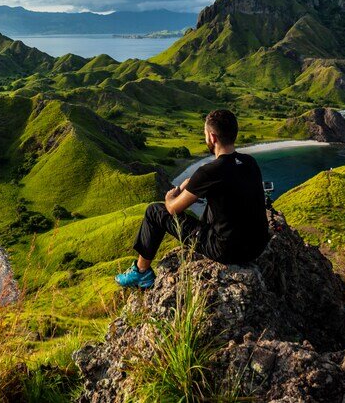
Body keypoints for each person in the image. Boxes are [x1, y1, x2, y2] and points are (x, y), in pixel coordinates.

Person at [115, 109, 270, 289]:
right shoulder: (249, 162)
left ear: (212, 137)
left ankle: (141, 273)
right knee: (215, 204)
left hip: (227, 251)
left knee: (154, 211)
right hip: (257, 246)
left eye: (205, 134)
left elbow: (173, 209)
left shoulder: (208, 171)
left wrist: (174, 193)